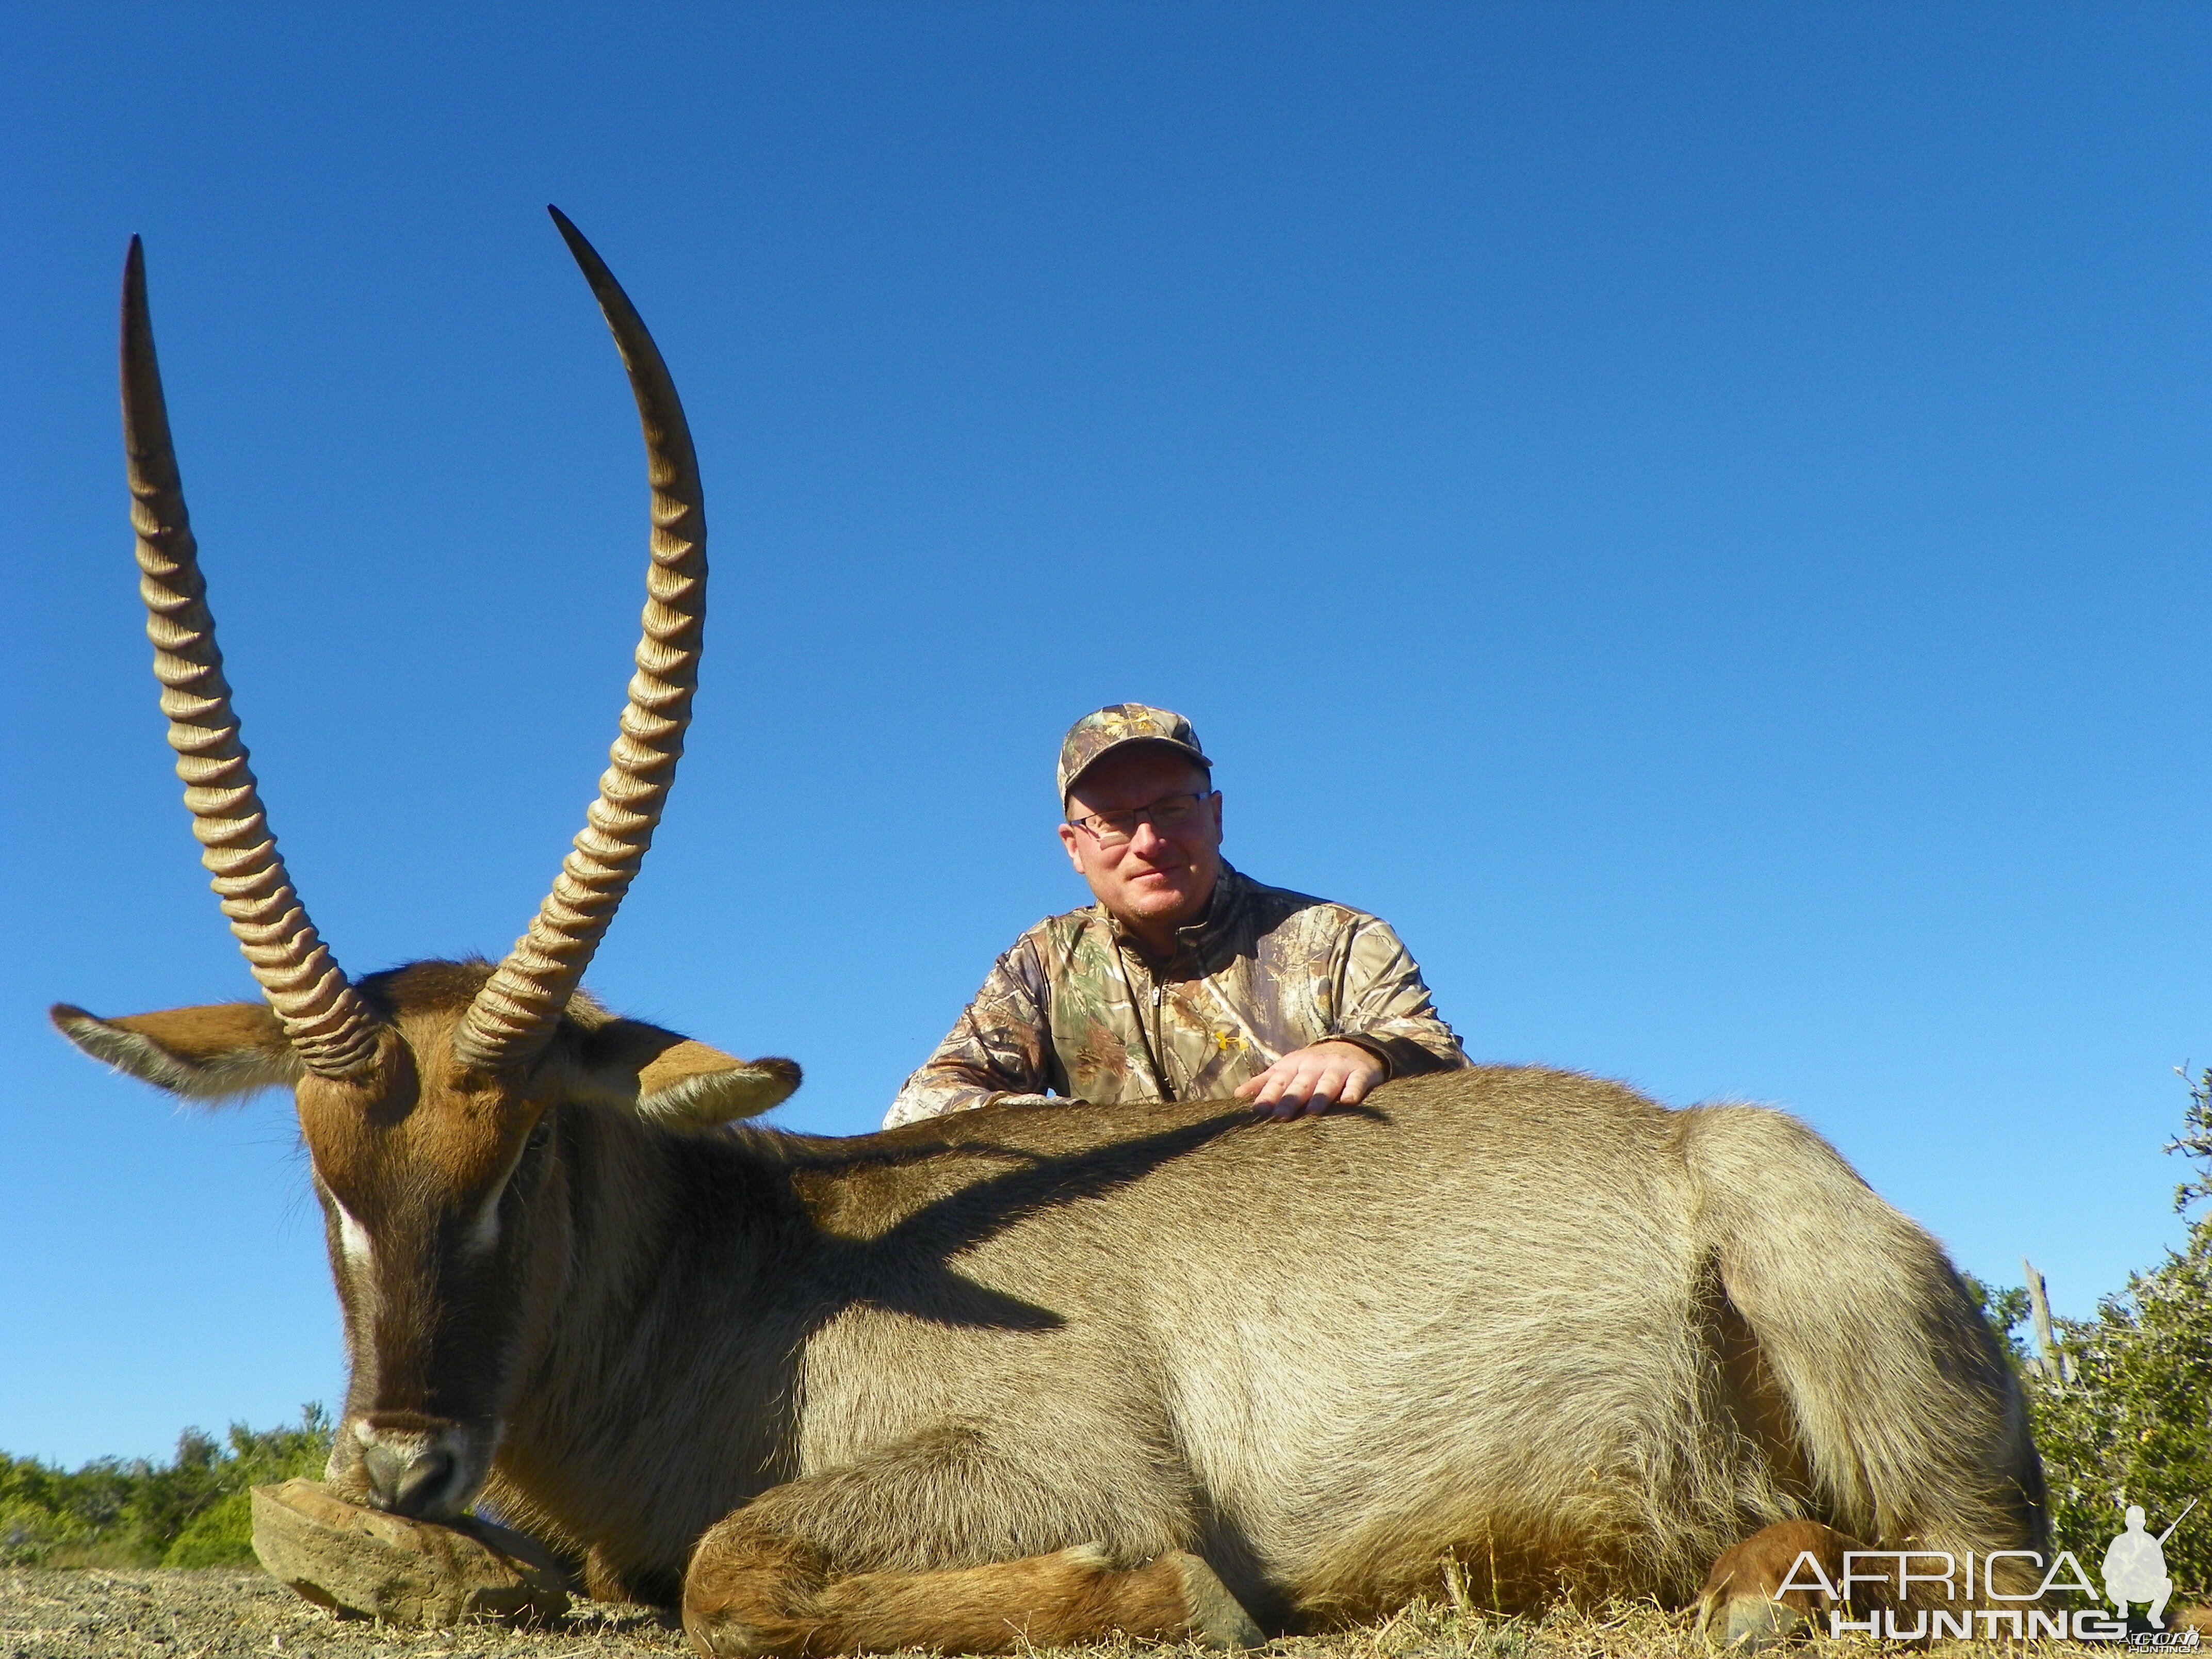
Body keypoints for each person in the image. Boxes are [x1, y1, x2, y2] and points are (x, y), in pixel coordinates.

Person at [884, 703, 1469, 1128]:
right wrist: (1094, 1135)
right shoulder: (1043, 961)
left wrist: (1363, 1053)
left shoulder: (1337, 938)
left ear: (1215, 817)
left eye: (1171, 809)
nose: (1148, 843)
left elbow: (1442, 1057)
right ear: (1072, 846)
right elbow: (923, 1103)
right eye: (1112, 821)